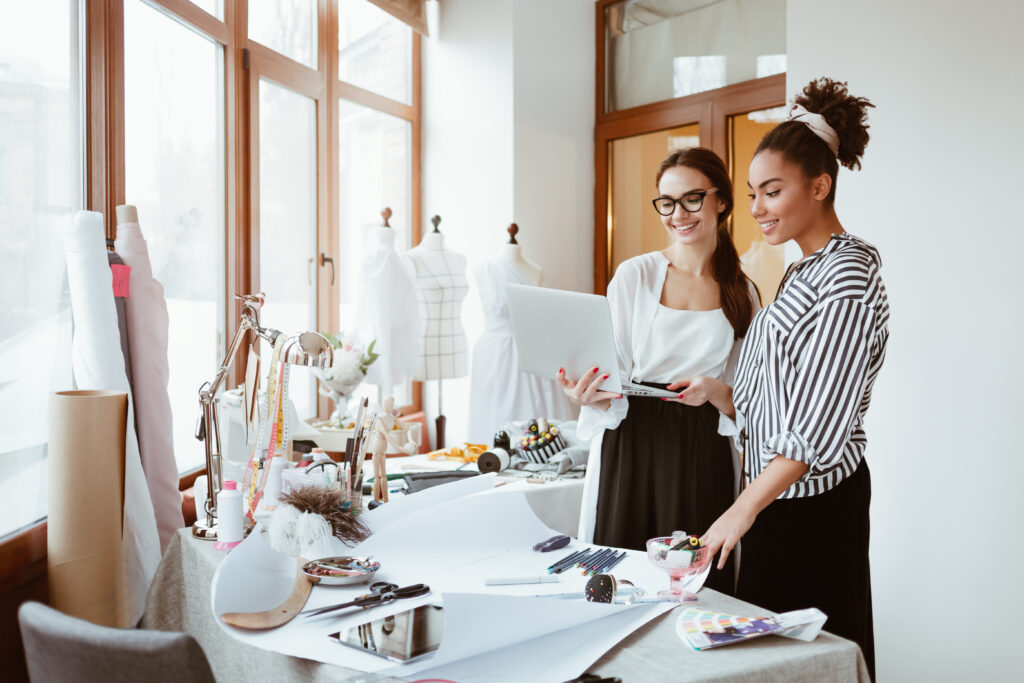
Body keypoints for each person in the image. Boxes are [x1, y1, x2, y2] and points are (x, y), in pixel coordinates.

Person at [701, 78, 888, 679]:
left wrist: (741, 510)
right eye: (753, 193)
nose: (756, 208)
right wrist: (723, 397)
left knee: (809, 662)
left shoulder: (848, 277)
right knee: (771, 662)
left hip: (811, 510)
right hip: (776, 501)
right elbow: (783, 399)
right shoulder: (804, 274)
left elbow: (817, 427)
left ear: (819, 185)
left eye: (772, 191)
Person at [558, 147, 758, 595]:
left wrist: (714, 390)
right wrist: (588, 393)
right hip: (632, 443)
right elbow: (610, 372)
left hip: (702, 449)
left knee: (698, 586)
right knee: (621, 576)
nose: (677, 214)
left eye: (692, 199)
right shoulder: (635, 276)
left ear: (721, 200)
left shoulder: (742, 292)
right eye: (666, 202)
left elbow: (749, 398)